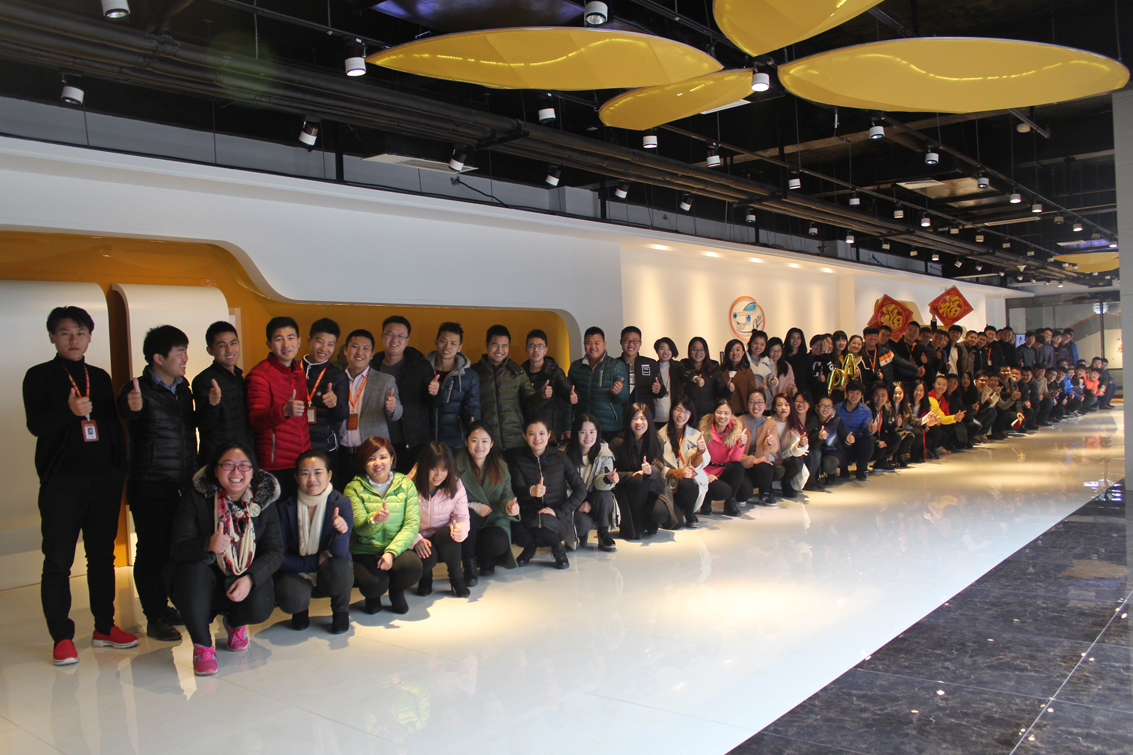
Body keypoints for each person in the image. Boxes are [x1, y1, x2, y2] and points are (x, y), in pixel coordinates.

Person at [23, 306, 136, 666]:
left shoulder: (98, 376)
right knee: (58, 560)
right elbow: (36, 426)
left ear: (89, 337)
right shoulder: (39, 376)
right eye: (65, 333)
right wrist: (68, 412)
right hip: (63, 483)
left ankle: (104, 627)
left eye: (81, 333)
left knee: (102, 557)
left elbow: (111, 425)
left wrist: (119, 469)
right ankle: (62, 637)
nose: (74, 339)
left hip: (103, 480)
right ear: (52, 337)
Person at [170, 442, 282, 676]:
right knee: (191, 574)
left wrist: (251, 578)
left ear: (253, 471)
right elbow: (178, 549)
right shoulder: (197, 497)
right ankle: (202, 646)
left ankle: (234, 623)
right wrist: (208, 544)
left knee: (261, 606)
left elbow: (275, 551)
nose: (236, 472)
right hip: (205, 578)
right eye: (228, 465)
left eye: (244, 466)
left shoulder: (263, 501)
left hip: (242, 575)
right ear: (215, 470)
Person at [117, 324, 196, 642]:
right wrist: (131, 408)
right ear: (158, 358)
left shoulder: (183, 388)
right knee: (151, 550)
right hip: (149, 481)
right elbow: (128, 412)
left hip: (182, 480)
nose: (185, 359)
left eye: (186, 352)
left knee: (174, 548)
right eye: (180, 353)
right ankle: (154, 615)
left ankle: (165, 605)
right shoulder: (136, 389)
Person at [274, 450, 353, 634]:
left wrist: (340, 532)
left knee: (341, 567)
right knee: (290, 598)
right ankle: (300, 610)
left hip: (330, 570)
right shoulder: (285, 508)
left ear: (329, 475)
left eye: (318, 473)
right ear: (296, 478)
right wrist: (314, 561)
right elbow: (279, 556)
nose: (312, 479)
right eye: (305, 474)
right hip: (297, 570)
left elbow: (340, 554)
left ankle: (341, 611)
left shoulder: (341, 503)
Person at [346, 436, 422, 615]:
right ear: (363, 462)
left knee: (413, 567)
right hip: (365, 549)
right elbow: (358, 528)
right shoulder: (353, 488)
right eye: (371, 458)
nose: (377, 463)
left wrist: (391, 552)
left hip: (395, 546)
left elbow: (412, 524)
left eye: (383, 457)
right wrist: (374, 520)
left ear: (392, 459)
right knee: (373, 585)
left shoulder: (406, 484)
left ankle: (396, 591)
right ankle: (374, 596)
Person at [246, 316, 310, 503]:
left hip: (301, 460)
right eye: (279, 339)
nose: (286, 344)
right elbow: (255, 419)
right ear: (269, 344)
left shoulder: (298, 370)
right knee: (278, 516)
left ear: (299, 341)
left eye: (290, 338)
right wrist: (284, 411)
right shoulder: (259, 375)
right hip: (275, 465)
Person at [507, 416, 584, 569]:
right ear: (524, 436)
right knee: (521, 534)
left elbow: (581, 489)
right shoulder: (517, 460)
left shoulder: (561, 458)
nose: (537, 439)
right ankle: (530, 547)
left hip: (557, 518)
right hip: (529, 515)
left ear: (549, 435)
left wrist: (559, 511)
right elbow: (517, 489)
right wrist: (531, 491)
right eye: (532, 434)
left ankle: (557, 548)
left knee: (542, 524)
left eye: (542, 433)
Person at [335, 329, 403, 490]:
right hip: (341, 454)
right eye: (355, 347)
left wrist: (392, 408)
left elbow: (397, 413)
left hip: (373, 456)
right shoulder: (335, 379)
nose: (360, 352)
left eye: (365, 348)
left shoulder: (384, 380)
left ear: (372, 354)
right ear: (345, 350)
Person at [455, 421, 520, 578]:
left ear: (491, 444)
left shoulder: (500, 465)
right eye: (474, 440)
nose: (479, 446)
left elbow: (506, 495)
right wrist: (475, 506)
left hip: (493, 519)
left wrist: (510, 506)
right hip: (468, 521)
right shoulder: (455, 465)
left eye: (484, 441)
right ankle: (469, 565)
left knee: (498, 542)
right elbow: (449, 500)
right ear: (466, 442)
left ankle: (487, 559)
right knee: (469, 521)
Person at [373, 316, 435, 473]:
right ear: (382, 337)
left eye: (400, 336)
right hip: (380, 442)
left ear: (407, 340)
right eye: (390, 334)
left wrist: (434, 393)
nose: (395, 339)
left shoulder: (420, 365)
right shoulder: (372, 365)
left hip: (412, 442)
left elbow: (432, 404)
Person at [410, 443, 471, 598]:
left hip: (442, 534)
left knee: (449, 534)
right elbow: (401, 520)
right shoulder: (409, 485)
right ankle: (425, 578)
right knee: (426, 555)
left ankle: (457, 578)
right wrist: (415, 539)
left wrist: (460, 530)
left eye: (444, 469)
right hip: (419, 536)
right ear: (424, 466)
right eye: (433, 468)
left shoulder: (455, 484)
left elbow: (462, 516)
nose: (438, 474)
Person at [192, 320, 253, 466]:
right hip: (217, 460)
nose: (229, 349)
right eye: (222, 345)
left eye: (233, 343)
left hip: (242, 455)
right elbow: (203, 425)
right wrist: (212, 404)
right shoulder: (204, 380)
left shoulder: (240, 378)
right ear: (210, 350)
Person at [474, 324, 544, 452]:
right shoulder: (475, 373)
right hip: (486, 443)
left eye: (504, 346)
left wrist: (542, 396)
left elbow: (530, 402)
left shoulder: (517, 372)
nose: (500, 350)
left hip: (516, 441)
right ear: (487, 345)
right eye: (495, 345)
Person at [610, 403, 669, 540]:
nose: (639, 422)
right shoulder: (617, 443)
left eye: (643, 418)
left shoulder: (656, 440)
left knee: (661, 514)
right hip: (626, 491)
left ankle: (646, 519)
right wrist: (632, 475)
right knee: (639, 480)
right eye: (634, 418)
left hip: (651, 488)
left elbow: (659, 467)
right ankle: (636, 520)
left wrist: (650, 470)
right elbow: (613, 473)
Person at [562, 413, 619, 550]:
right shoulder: (563, 454)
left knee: (605, 495)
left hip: (595, 498)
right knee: (581, 526)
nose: (588, 437)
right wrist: (577, 505)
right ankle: (578, 534)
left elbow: (601, 485)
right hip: (574, 499)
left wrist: (608, 479)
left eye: (592, 432)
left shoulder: (604, 453)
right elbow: (560, 487)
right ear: (576, 433)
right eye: (583, 432)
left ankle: (603, 533)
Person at [426, 322, 481, 453]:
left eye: (453, 343)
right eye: (443, 341)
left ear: (459, 347)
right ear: (436, 341)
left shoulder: (470, 376)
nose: (447, 347)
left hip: (456, 441)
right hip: (426, 438)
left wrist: (473, 420)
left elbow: (472, 406)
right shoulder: (423, 369)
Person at [569, 327, 630, 441]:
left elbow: (625, 397)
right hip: (584, 426)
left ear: (604, 344)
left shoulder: (616, 365)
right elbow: (568, 400)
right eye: (589, 343)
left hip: (610, 426)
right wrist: (567, 428)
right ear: (584, 344)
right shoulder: (576, 366)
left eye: (597, 343)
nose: (593, 347)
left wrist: (618, 392)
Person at [301, 318, 350, 461]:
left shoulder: (338, 375)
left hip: (326, 446)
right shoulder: (293, 369)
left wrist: (335, 403)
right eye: (319, 341)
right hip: (295, 443)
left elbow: (343, 414)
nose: (324, 348)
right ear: (309, 340)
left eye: (330, 344)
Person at [657, 397, 709, 528]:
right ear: (672, 411)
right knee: (675, 524)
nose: (681, 415)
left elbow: (698, 465)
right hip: (668, 485)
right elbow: (656, 465)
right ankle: (678, 509)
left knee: (688, 482)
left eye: (686, 412)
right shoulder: (659, 435)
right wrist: (676, 473)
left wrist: (700, 452)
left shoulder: (696, 435)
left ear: (691, 415)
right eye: (678, 410)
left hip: (687, 484)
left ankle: (690, 512)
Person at [697, 399, 748, 516]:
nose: (722, 416)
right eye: (719, 412)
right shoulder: (703, 430)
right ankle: (706, 500)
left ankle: (730, 503)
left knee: (738, 467)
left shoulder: (735, 432)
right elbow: (695, 457)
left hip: (723, 470)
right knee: (723, 490)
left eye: (726, 413)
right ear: (713, 413)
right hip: (706, 470)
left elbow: (734, 460)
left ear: (732, 415)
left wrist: (740, 445)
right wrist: (705, 474)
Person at [755, 394, 808, 499]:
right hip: (770, 460)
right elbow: (761, 447)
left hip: (787, 460)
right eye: (780, 405)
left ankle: (786, 483)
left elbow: (796, 452)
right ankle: (768, 486)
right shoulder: (767, 422)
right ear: (774, 407)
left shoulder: (795, 424)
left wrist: (801, 444)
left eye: (787, 405)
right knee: (776, 469)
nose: (784, 408)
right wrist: (773, 459)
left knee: (798, 461)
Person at [522, 329, 572, 439]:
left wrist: (571, 395)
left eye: (540, 346)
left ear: (545, 350)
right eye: (532, 346)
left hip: (551, 430)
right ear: (526, 349)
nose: (536, 350)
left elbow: (565, 390)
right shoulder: (521, 373)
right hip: (528, 429)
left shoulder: (555, 372)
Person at [738, 391, 776, 505]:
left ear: (765, 405)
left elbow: (775, 448)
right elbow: (732, 453)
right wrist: (753, 460)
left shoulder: (771, 423)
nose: (756, 406)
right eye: (752, 402)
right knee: (744, 494)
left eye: (760, 402)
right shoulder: (737, 422)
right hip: (740, 465)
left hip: (759, 466)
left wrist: (770, 443)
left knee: (767, 467)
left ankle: (765, 494)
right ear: (747, 405)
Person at [834, 380, 875, 481]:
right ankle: (843, 468)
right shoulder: (837, 408)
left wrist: (869, 429)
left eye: (858, 393)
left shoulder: (866, 411)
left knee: (869, 440)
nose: (854, 396)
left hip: (857, 444)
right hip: (842, 443)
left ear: (861, 395)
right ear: (847, 393)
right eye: (852, 392)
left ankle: (860, 470)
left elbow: (865, 431)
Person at [682, 336, 727, 423]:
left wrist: (728, 389)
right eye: (695, 349)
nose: (698, 353)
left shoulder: (713, 368)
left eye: (702, 350)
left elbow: (721, 392)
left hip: (708, 417)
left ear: (706, 351)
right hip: (687, 415)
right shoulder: (683, 368)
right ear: (689, 351)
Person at [619, 326, 667, 407]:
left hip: (644, 412)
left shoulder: (650, 364)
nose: (631, 344)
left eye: (635, 341)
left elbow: (662, 392)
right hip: (620, 412)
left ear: (640, 343)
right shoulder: (614, 364)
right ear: (621, 342)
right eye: (627, 340)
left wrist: (659, 390)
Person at [653, 337, 688, 430]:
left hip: (674, 416)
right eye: (662, 348)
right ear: (657, 350)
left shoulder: (678, 367)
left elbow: (687, 376)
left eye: (669, 349)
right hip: (655, 416)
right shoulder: (652, 367)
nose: (665, 351)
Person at [721, 338, 759, 416]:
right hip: (723, 412)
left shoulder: (748, 372)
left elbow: (751, 393)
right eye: (731, 350)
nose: (735, 353)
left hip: (742, 413)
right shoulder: (720, 371)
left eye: (738, 350)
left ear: (743, 353)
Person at [814, 396, 846, 484]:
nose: (826, 409)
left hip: (832, 451)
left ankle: (831, 474)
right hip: (815, 448)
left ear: (832, 408)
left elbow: (844, 438)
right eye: (823, 406)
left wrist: (849, 441)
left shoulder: (837, 420)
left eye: (829, 406)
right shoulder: (812, 418)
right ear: (817, 406)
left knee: (829, 463)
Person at [762, 337, 796, 401]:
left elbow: (791, 384)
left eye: (778, 351)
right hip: (766, 401)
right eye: (773, 351)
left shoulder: (787, 366)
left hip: (782, 402)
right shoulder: (763, 364)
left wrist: (792, 389)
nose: (776, 354)